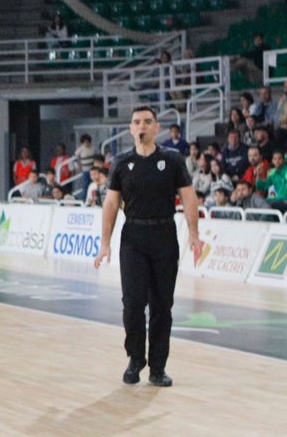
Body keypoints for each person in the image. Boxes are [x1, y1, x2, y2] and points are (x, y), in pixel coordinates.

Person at [94, 105, 202, 389]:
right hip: (133, 237)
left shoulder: (173, 160)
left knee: (162, 306)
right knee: (132, 304)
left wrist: (194, 233)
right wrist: (105, 242)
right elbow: (111, 203)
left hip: (165, 234)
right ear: (131, 128)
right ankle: (135, 358)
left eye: (147, 122)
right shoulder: (120, 163)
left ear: (157, 128)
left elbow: (189, 197)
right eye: (136, 122)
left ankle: (158, 367)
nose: (142, 126)